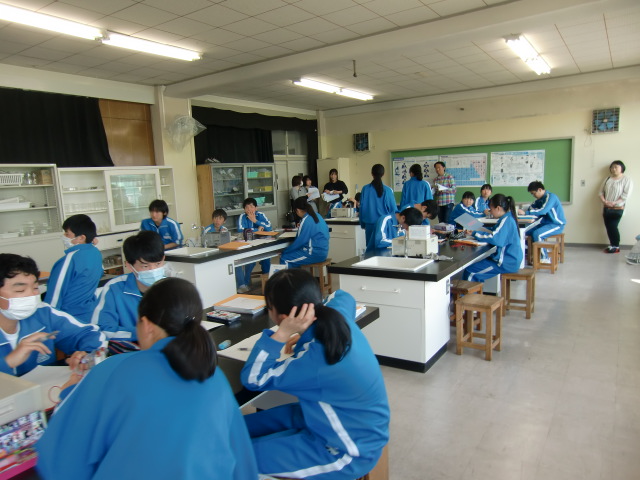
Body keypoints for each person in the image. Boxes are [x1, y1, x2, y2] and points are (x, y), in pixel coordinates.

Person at [37, 277, 258, 480]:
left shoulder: (113, 370)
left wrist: (68, 394)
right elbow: (241, 459)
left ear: (147, 325)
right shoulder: (213, 375)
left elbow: (59, 461)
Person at [241, 269, 389, 480]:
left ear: (283, 318)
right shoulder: (338, 315)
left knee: (236, 457)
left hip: (348, 451)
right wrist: (304, 333)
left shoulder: (315, 359)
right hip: (347, 422)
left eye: (269, 308)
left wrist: (282, 334)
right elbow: (343, 296)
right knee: (242, 428)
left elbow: (253, 378)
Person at [0, 254, 104, 377]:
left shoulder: (42, 313)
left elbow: (90, 334)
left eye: (35, 288)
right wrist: (8, 362)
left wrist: (86, 354)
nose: (32, 295)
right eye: (20, 290)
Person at [91, 231, 165, 354]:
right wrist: (142, 333)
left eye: (158, 264)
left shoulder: (171, 287)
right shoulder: (113, 289)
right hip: (127, 353)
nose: (153, 270)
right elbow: (101, 329)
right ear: (130, 266)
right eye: (145, 266)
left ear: (163, 259)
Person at [44, 214, 103, 323]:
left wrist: (48, 321)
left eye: (67, 234)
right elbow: (100, 273)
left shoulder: (69, 259)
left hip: (69, 317)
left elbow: (55, 295)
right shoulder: (96, 253)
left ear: (81, 238)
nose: (64, 236)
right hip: (89, 313)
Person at [463, 194, 523, 282]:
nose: (490, 212)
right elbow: (494, 231)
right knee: (476, 267)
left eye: (491, 209)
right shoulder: (508, 218)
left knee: (470, 272)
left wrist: (475, 233)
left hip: (506, 262)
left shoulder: (506, 220)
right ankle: (477, 289)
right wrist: (478, 230)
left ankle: (473, 291)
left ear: (498, 208)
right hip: (510, 259)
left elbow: (495, 238)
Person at [518, 181, 565, 262]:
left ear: (540, 190)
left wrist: (525, 213)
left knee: (537, 234)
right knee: (523, 232)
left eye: (534, 193)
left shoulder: (551, 197)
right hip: (545, 223)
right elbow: (531, 207)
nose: (533, 196)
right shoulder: (540, 199)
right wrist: (528, 210)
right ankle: (533, 251)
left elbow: (543, 211)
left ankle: (544, 258)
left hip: (556, 224)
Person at [280, 197, 329, 267]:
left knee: (285, 258)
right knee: (294, 256)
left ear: (297, 210)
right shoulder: (317, 215)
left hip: (313, 253)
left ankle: (289, 275)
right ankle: (297, 274)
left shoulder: (306, 220)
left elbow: (299, 242)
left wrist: (285, 251)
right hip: (323, 252)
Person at [236, 197, 272, 293]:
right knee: (250, 261)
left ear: (256, 208)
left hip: (261, 243)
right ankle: (245, 283)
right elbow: (241, 230)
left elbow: (269, 227)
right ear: (244, 209)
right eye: (247, 207)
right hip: (248, 244)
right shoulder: (242, 217)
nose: (249, 209)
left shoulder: (260, 215)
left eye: (251, 207)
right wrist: (257, 229)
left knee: (266, 258)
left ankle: (267, 281)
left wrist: (255, 221)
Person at [598, 160, 633, 254]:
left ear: (622, 168)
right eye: (612, 167)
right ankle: (612, 245)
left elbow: (625, 195)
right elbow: (600, 192)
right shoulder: (607, 179)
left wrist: (614, 203)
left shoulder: (627, 179)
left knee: (613, 226)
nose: (613, 169)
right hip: (606, 207)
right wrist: (605, 201)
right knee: (609, 227)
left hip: (618, 208)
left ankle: (616, 246)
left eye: (616, 167)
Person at [359, 164, 397, 247]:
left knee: (370, 250)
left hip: (369, 225)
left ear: (372, 174)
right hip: (384, 226)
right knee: (384, 250)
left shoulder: (365, 189)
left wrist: (362, 224)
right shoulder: (388, 190)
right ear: (383, 174)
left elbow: (362, 208)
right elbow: (393, 210)